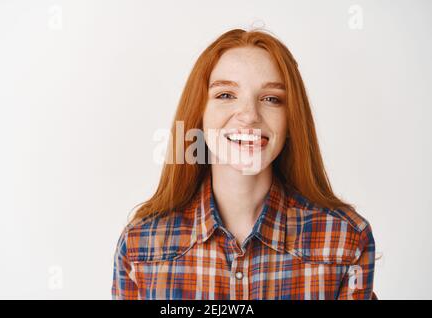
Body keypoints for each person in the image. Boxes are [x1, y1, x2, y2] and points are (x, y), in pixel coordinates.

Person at [111, 28, 377, 300]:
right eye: (226, 95)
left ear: (290, 122)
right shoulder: (139, 245)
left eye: (271, 99)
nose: (249, 115)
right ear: (199, 115)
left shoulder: (347, 239)